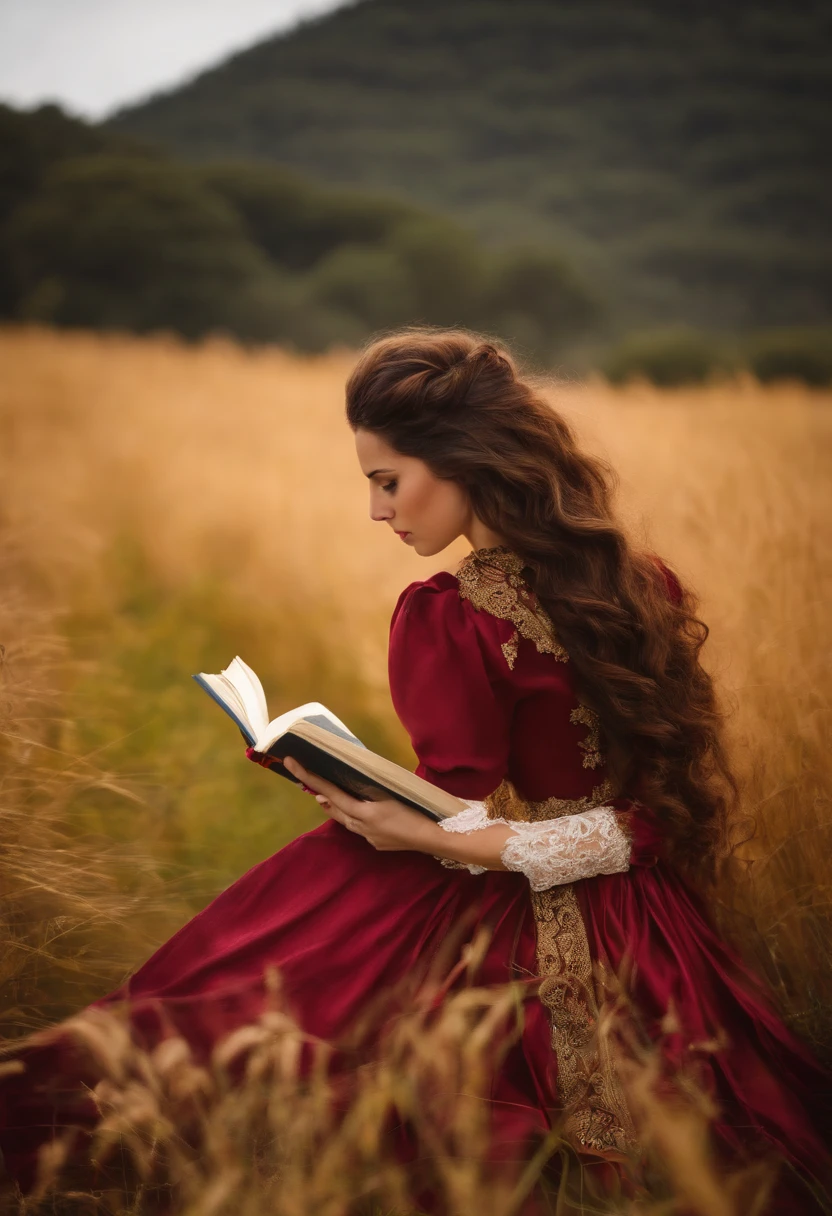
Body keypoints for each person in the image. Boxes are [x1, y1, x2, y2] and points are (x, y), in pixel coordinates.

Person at [1, 328, 830, 1211]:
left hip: (525, 912)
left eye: (386, 480)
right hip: (649, 932)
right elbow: (652, 819)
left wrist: (409, 827)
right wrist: (425, 817)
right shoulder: (638, 584)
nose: (376, 510)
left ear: (462, 461)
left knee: (241, 979)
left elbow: (464, 804)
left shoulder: (452, 617)